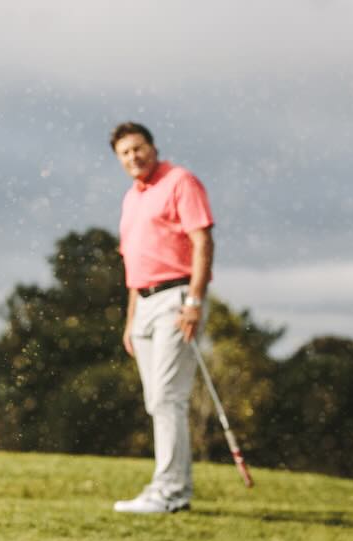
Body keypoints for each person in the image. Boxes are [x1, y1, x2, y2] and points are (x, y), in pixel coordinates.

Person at [110, 122, 214, 514]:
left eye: (138, 148)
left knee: (167, 398)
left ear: (152, 147)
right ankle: (171, 488)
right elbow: (135, 265)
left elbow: (202, 241)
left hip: (177, 295)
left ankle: (170, 492)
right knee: (157, 401)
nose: (133, 157)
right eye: (125, 153)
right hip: (145, 304)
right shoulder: (131, 198)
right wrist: (130, 321)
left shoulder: (180, 181)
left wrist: (195, 301)